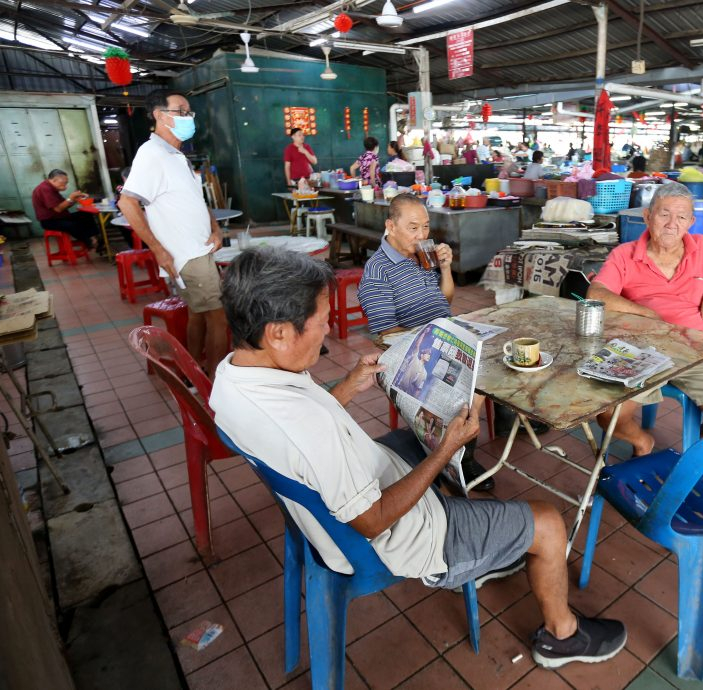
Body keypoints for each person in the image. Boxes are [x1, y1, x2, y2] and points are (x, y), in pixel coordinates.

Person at [211, 247, 627, 669]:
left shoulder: (232, 376)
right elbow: (371, 520)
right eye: (321, 323)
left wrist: (349, 387)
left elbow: (307, 432)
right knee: (549, 523)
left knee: (434, 434)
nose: (327, 331)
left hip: (360, 479)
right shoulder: (302, 427)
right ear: (279, 333)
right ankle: (562, 635)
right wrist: (445, 448)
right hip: (401, 536)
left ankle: (485, 534)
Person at [587, 184, 703, 456]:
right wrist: (648, 314)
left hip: (695, 348)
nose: (672, 224)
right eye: (664, 214)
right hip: (638, 348)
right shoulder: (625, 254)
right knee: (609, 414)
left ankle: (687, 455)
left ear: (691, 222)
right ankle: (643, 443)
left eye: (681, 217)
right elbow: (597, 293)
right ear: (647, 216)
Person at [358, 194, 499, 489]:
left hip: (444, 333)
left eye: (425, 227)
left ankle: (508, 421)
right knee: (473, 380)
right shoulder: (377, 271)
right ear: (390, 226)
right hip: (412, 350)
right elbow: (386, 337)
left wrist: (445, 268)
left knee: (499, 353)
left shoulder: (421, 257)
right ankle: (462, 460)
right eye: (413, 228)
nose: (422, 235)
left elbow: (444, 300)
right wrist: (430, 338)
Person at [118, 89, 228, 376]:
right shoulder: (152, 153)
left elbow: (196, 200)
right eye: (181, 111)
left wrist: (215, 229)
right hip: (188, 255)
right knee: (219, 318)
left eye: (189, 112)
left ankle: (191, 372)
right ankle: (215, 385)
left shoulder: (177, 156)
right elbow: (127, 203)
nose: (188, 117)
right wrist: (158, 250)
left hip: (199, 249)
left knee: (199, 315)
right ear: (159, 116)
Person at [31, 170, 101, 249]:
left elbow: (64, 205)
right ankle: (90, 242)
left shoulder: (51, 188)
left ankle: (95, 238)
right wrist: (71, 198)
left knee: (85, 214)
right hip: (50, 221)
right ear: (54, 180)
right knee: (73, 225)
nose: (66, 186)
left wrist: (75, 199)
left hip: (60, 217)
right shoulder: (45, 189)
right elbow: (58, 209)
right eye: (64, 183)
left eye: (66, 183)